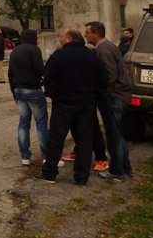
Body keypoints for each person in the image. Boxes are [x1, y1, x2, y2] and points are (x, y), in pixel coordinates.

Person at [36, 28, 107, 185]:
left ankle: (49, 173)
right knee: (84, 141)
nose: (60, 40)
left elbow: (48, 77)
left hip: (63, 103)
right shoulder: (91, 56)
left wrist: (53, 94)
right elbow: (102, 80)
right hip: (86, 104)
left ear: (69, 39)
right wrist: (95, 97)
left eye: (61, 37)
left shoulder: (58, 56)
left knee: (56, 138)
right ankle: (81, 177)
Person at [83, 21, 133, 182]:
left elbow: (109, 77)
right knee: (116, 133)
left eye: (87, 32)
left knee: (112, 136)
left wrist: (101, 94)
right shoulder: (108, 46)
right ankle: (125, 167)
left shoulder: (103, 50)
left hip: (114, 97)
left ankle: (117, 171)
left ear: (96, 34)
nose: (85, 35)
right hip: (118, 95)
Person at [8, 29, 48, 166]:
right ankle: (47, 155)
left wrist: (13, 92)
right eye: (37, 37)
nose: (39, 40)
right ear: (31, 38)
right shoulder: (34, 50)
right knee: (41, 122)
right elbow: (40, 70)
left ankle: (25, 156)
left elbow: (10, 73)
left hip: (19, 89)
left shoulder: (15, 51)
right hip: (33, 89)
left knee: (23, 123)